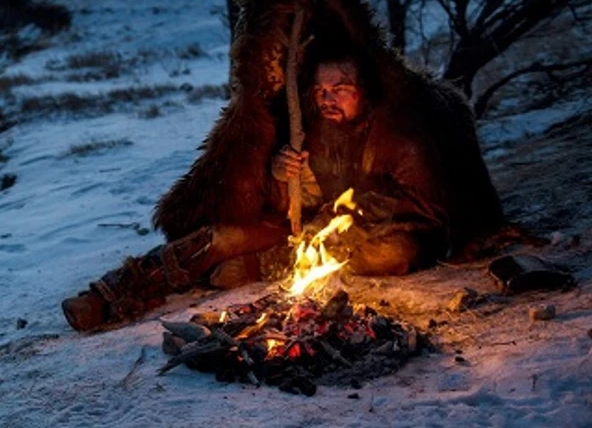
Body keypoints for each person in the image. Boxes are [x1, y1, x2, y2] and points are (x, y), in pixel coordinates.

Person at [62, 48, 502, 332]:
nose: (329, 98)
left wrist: (349, 214)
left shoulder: (400, 135)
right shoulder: (311, 126)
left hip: (366, 238)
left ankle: (256, 266)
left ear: (364, 92)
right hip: (302, 230)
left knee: (396, 253)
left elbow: (429, 208)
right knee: (218, 239)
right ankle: (111, 293)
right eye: (322, 90)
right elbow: (285, 206)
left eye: (342, 89)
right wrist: (280, 173)